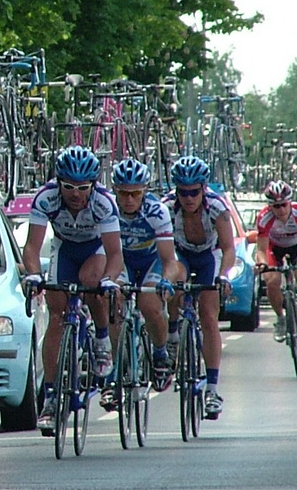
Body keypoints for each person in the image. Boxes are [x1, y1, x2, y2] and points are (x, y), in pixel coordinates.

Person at [20, 146, 124, 434]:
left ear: (93, 185)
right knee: (56, 315)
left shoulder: (104, 202)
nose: (76, 194)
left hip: (95, 249)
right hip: (64, 249)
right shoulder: (46, 198)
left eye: (82, 188)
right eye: (68, 187)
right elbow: (31, 247)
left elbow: (115, 254)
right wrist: (33, 275)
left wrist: (109, 279)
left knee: (92, 281)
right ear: (59, 183)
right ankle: (51, 398)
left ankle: (101, 340)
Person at [163, 154, 238, 420]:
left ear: (203, 188)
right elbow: (162, 249)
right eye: (183, 192)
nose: (188, 198)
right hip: (181, 254)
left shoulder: (217, 207)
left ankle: (212, 389)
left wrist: (224, 276)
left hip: (209, 256)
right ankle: (173, 333)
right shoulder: (166, 207)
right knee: (174, 282)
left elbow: (229, 249)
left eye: (194, 192)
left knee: (208, 316)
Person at [107, 157, 184, 401]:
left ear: (145, 191)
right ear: (115, 191)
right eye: (123, 193)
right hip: (123, 261)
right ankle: (116, 366)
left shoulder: (156, 211)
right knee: (113, 300)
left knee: (150, 305)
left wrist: (166, 281)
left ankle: (160, 354)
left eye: (135, 193)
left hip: (152, 260)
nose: (129, 199)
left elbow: (169, 259)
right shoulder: (108, 209)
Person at [254, 179, 297, 348]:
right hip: (274, 247)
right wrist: (262, 264)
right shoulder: (264, 218)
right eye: (276, 206)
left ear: (289, 202)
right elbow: (261, 249)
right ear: (270, 206)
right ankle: (281, 318)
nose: (281, 210)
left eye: (284, 205)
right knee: (272, 281)